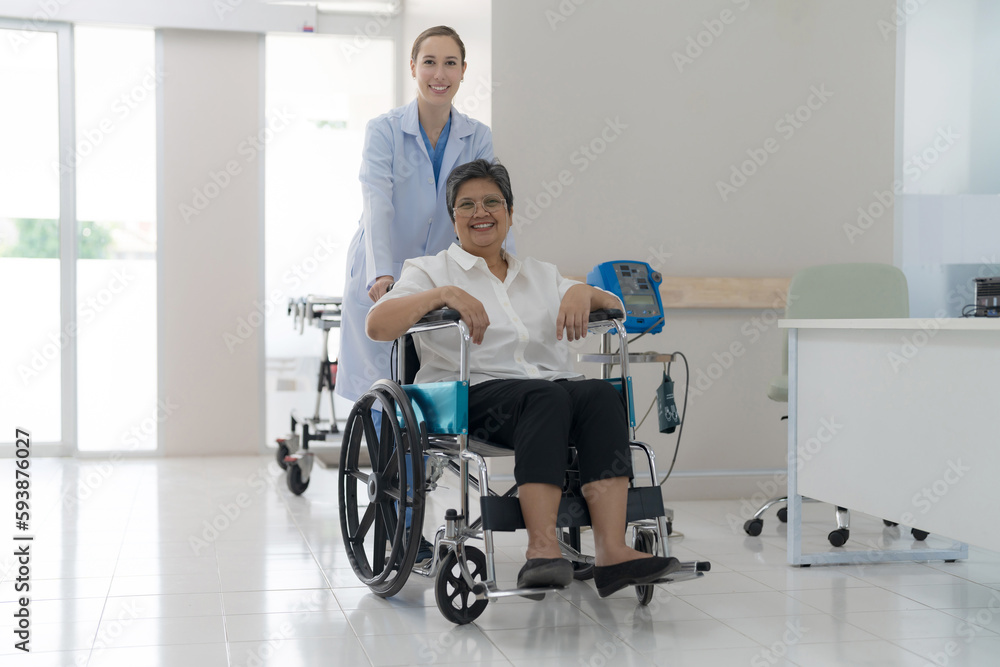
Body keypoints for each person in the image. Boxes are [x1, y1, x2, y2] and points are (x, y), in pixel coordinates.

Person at [366, 159, 680, 597]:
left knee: (598, 395)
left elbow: (617, 307)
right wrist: (442, 295)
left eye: (493, 201)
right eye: (468, 204)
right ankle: (542, 549)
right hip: (474, 397)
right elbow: (378, 325)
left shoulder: (541, 274)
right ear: (453, 219)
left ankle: (612, 551)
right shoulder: (430, 270)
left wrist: (582, 291)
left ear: (510, 212)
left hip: (550, 395)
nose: (482, 212)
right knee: (545, 397)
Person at [337, 25, 511, 404]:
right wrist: (382, 272)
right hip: (382, 275)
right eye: (429, 62)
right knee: (381, 392)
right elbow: (377, 202)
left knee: (427, 390)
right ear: (413, 67)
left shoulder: (476, 136)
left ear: (464, 70)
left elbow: (492, 204)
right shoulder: (384, 130)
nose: (439, 74)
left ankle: (420, 464)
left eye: (450, 63)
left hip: (436, 279)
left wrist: (508, 271)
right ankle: (390, 462)